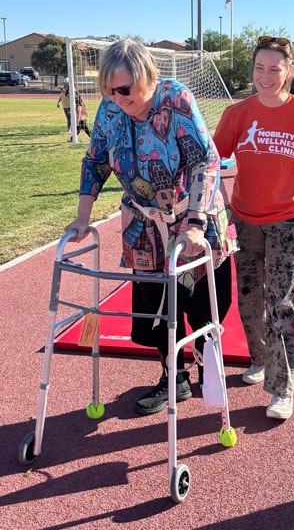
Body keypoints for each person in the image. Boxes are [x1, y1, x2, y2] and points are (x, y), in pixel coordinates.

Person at [65, 38, 237, 415]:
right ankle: (173, 375)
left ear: (146, 77)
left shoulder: (176, 100)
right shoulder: (111, 109)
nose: (116, 96)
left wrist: (194, 222)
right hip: (144, 223)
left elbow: (203, 160)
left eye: (124, 88)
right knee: (155, 309)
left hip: (194, 213)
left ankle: (207, 363)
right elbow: (95, 161)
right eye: (109, 88)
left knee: (206, 304)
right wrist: (83, 215)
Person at [213, 35, 294, 420]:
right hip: (244, 221)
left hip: (287, 222)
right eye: (260, 68)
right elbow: (212, 159)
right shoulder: (237, 114)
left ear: (289, 71)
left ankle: (283, 388)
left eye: (275, 69)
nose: (266, 76)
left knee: (282, 303)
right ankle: (260, 359)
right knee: (249, 299)